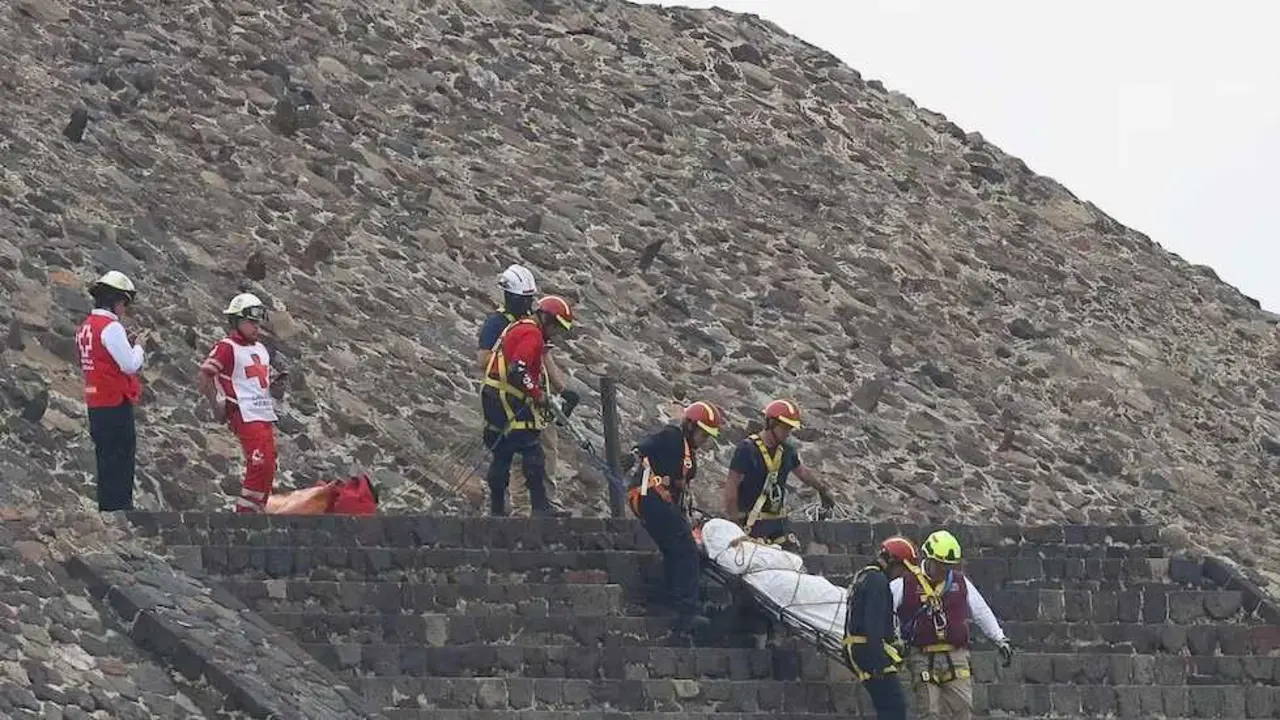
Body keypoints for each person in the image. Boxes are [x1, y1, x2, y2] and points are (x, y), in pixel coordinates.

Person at [476, 264, 577, 516]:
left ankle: (498, 511)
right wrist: (537, 394)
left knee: (503, 455)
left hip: (496, 396)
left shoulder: (521, 327)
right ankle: (538, 508)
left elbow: (541, 359)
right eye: (556, 327)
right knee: (532, 452)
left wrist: (561, 389)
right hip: (510, 398)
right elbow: (518, 370)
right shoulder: (526, 331)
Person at [891, 529, 1014, 720]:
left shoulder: (960, 582)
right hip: (922, 656)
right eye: (940, 565)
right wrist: (892, 640)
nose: (944, 570)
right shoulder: (904, 584)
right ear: (929, 559)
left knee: (963, 708)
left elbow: (980, 611)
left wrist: (1000, 639)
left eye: (948, 566)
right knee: (929, 711)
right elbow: (884, 611)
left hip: (956, 655)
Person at [626, 401, 723, 632]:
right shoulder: (673, 436)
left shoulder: (687, 449)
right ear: (690, 426)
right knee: (687, 548)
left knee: (674, 549)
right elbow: (650, 444)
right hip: (651, 497)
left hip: (660, 502)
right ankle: (686, 609)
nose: (705, 440)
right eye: (703, 434)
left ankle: (669, 602)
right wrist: (635, 454)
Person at [198, 293, 289, 513]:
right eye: (251, 321)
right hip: (243, 412)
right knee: (259, 463)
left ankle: (257, 511)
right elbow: (205, 375)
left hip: (263, 413)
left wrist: (275, 387)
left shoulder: (261, 349)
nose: (256, 327)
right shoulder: (226, 347)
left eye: (258, 322)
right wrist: (217, 405)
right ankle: (245, 515)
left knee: (269, 465)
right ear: (236, 321)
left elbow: (258, 382)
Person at [722, 399, 835, 551]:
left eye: (790, 428)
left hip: (777, 524)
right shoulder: (747, 449)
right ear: (771, 423)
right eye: (785, 428)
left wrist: (822, 489)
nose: (788, 433)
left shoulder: (787, 451)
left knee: (792, 558)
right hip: (752, 524)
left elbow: (802, 472)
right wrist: (734, 520)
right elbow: (732, 484)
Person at [75, 271, 147, 512]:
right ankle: (120, 507)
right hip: (115, 399)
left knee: (104, 456)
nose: (124, 309)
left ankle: (107, 507)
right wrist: (139, 347)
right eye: (124, 303)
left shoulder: (85, 326)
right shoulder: (111, 327)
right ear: (117, 301)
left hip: (95, 399)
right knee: (121, 455)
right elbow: (129, 365)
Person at [843, 536, 917, 720]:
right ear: (893, 562)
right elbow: (873, 623)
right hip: (869, 651)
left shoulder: (865, 576)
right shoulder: (877, 581)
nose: (901, 575)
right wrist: (879, 662)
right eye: (902, 569)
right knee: (895, 706)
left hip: (859, 649)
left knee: (886, 706)